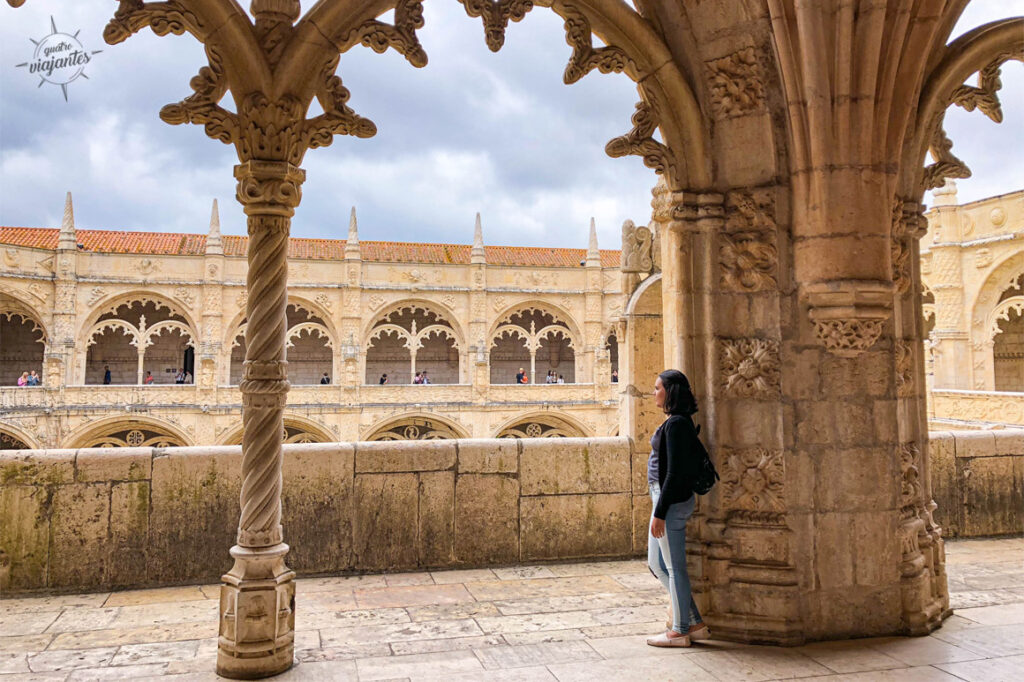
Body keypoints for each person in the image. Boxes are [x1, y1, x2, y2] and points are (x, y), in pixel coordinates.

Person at [646, 369, 709, 648]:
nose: (654, 393)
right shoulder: (677, 422)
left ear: (670, 391)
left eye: (658, 388)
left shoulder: (676, 424)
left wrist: (660, 512)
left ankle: (680, 631)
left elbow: (673, 473)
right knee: (657, 564)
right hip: (665, 500)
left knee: (673, 568)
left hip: (669, 502)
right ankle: (694, 622)